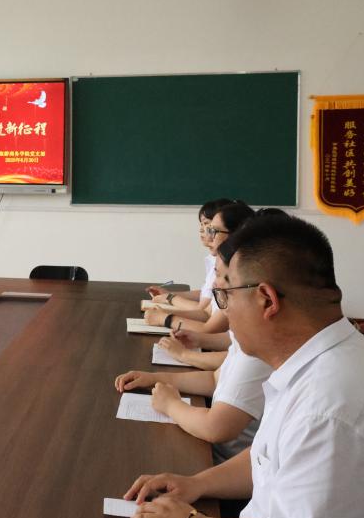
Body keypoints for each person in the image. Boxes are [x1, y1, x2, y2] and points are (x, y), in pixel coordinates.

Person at [124, 214, 364, 518]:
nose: (224, 314)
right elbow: (270, 459)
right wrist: (196, 484)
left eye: (224, 295)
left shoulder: (328, 407)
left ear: (266, 300)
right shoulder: (317, 360)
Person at [115, 234, 272, 462]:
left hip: (220, 459)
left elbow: (214, 428)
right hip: (218, 454)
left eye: (224, 280)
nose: (215, 285)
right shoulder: (250, 334)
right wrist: (153, 378)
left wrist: (171, 405)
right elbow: (214, 379)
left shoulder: (260, 347)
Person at [145, 201, 255, 347]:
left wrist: (166, 317)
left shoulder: (241, 277)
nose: (207, 236)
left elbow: (209, 328)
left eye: (212, 230)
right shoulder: (224, 266)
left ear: (235, 234)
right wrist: (164, 312)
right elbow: (206, 313)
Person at [146, 198, 235, 319]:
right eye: (202, 225)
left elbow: (203, 310)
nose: (202, 230)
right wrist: (170, 294)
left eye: (207, 225)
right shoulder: (214, 259)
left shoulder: (227, 264)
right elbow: (206, 294)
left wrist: (170, 299)